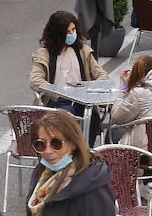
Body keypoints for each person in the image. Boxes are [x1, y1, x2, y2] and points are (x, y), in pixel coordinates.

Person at [29, 11, 108, 139]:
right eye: (68, 32)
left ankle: (87, 151)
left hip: (83, 99)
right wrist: (57, 91)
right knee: (67, 116)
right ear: (58, 34)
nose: (72, 34)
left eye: (73, 30)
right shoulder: (43, 54)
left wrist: (93, 88)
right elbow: (35, 80)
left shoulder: (83, 51)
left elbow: (101, 74)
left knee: (93, 115)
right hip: (57, 100)